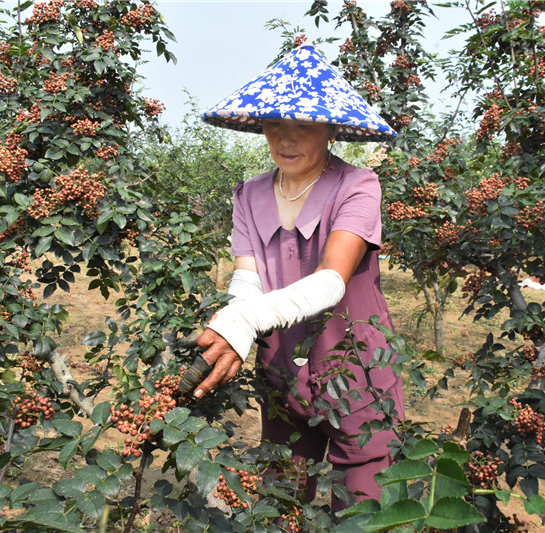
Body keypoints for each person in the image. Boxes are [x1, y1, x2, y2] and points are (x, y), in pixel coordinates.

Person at [195, 42, 404, 511]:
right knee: (281, 497)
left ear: (330, 130)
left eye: (303, 125)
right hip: (283, 369)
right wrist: (234, 322)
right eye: (274, 124)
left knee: (364, 505)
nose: (286, 139)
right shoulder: (248, 194)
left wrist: (247, 322)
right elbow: (247, 280)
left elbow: (332, 280)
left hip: (357, 370)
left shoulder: (357, 185)